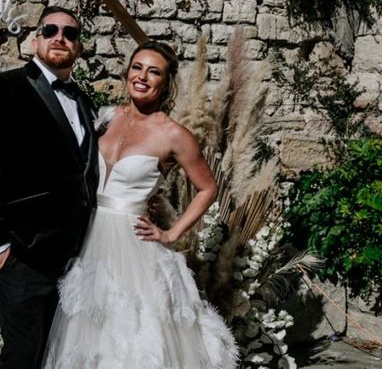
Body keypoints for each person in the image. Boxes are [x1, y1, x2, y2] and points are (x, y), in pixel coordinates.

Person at [43, 40, 240, 369]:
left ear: (167, 82)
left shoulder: (174, 135)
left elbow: (208, 188)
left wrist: (171, 233)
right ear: (126, 72)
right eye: (137, 67)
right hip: (88, 236)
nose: (143, 77)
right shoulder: (105, 118)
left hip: (133, 245)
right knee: (87, 332)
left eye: (154, 72)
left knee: (133, 338)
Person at [0, 6, 99, 369]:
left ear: (79, 48)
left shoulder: (83, 101)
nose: (60, 37)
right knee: (22, 355)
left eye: (70, 33)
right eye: (51, 29)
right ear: (35, 40)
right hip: (21, 253)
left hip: (71, 256)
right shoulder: (4, 88)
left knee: (52, 355)